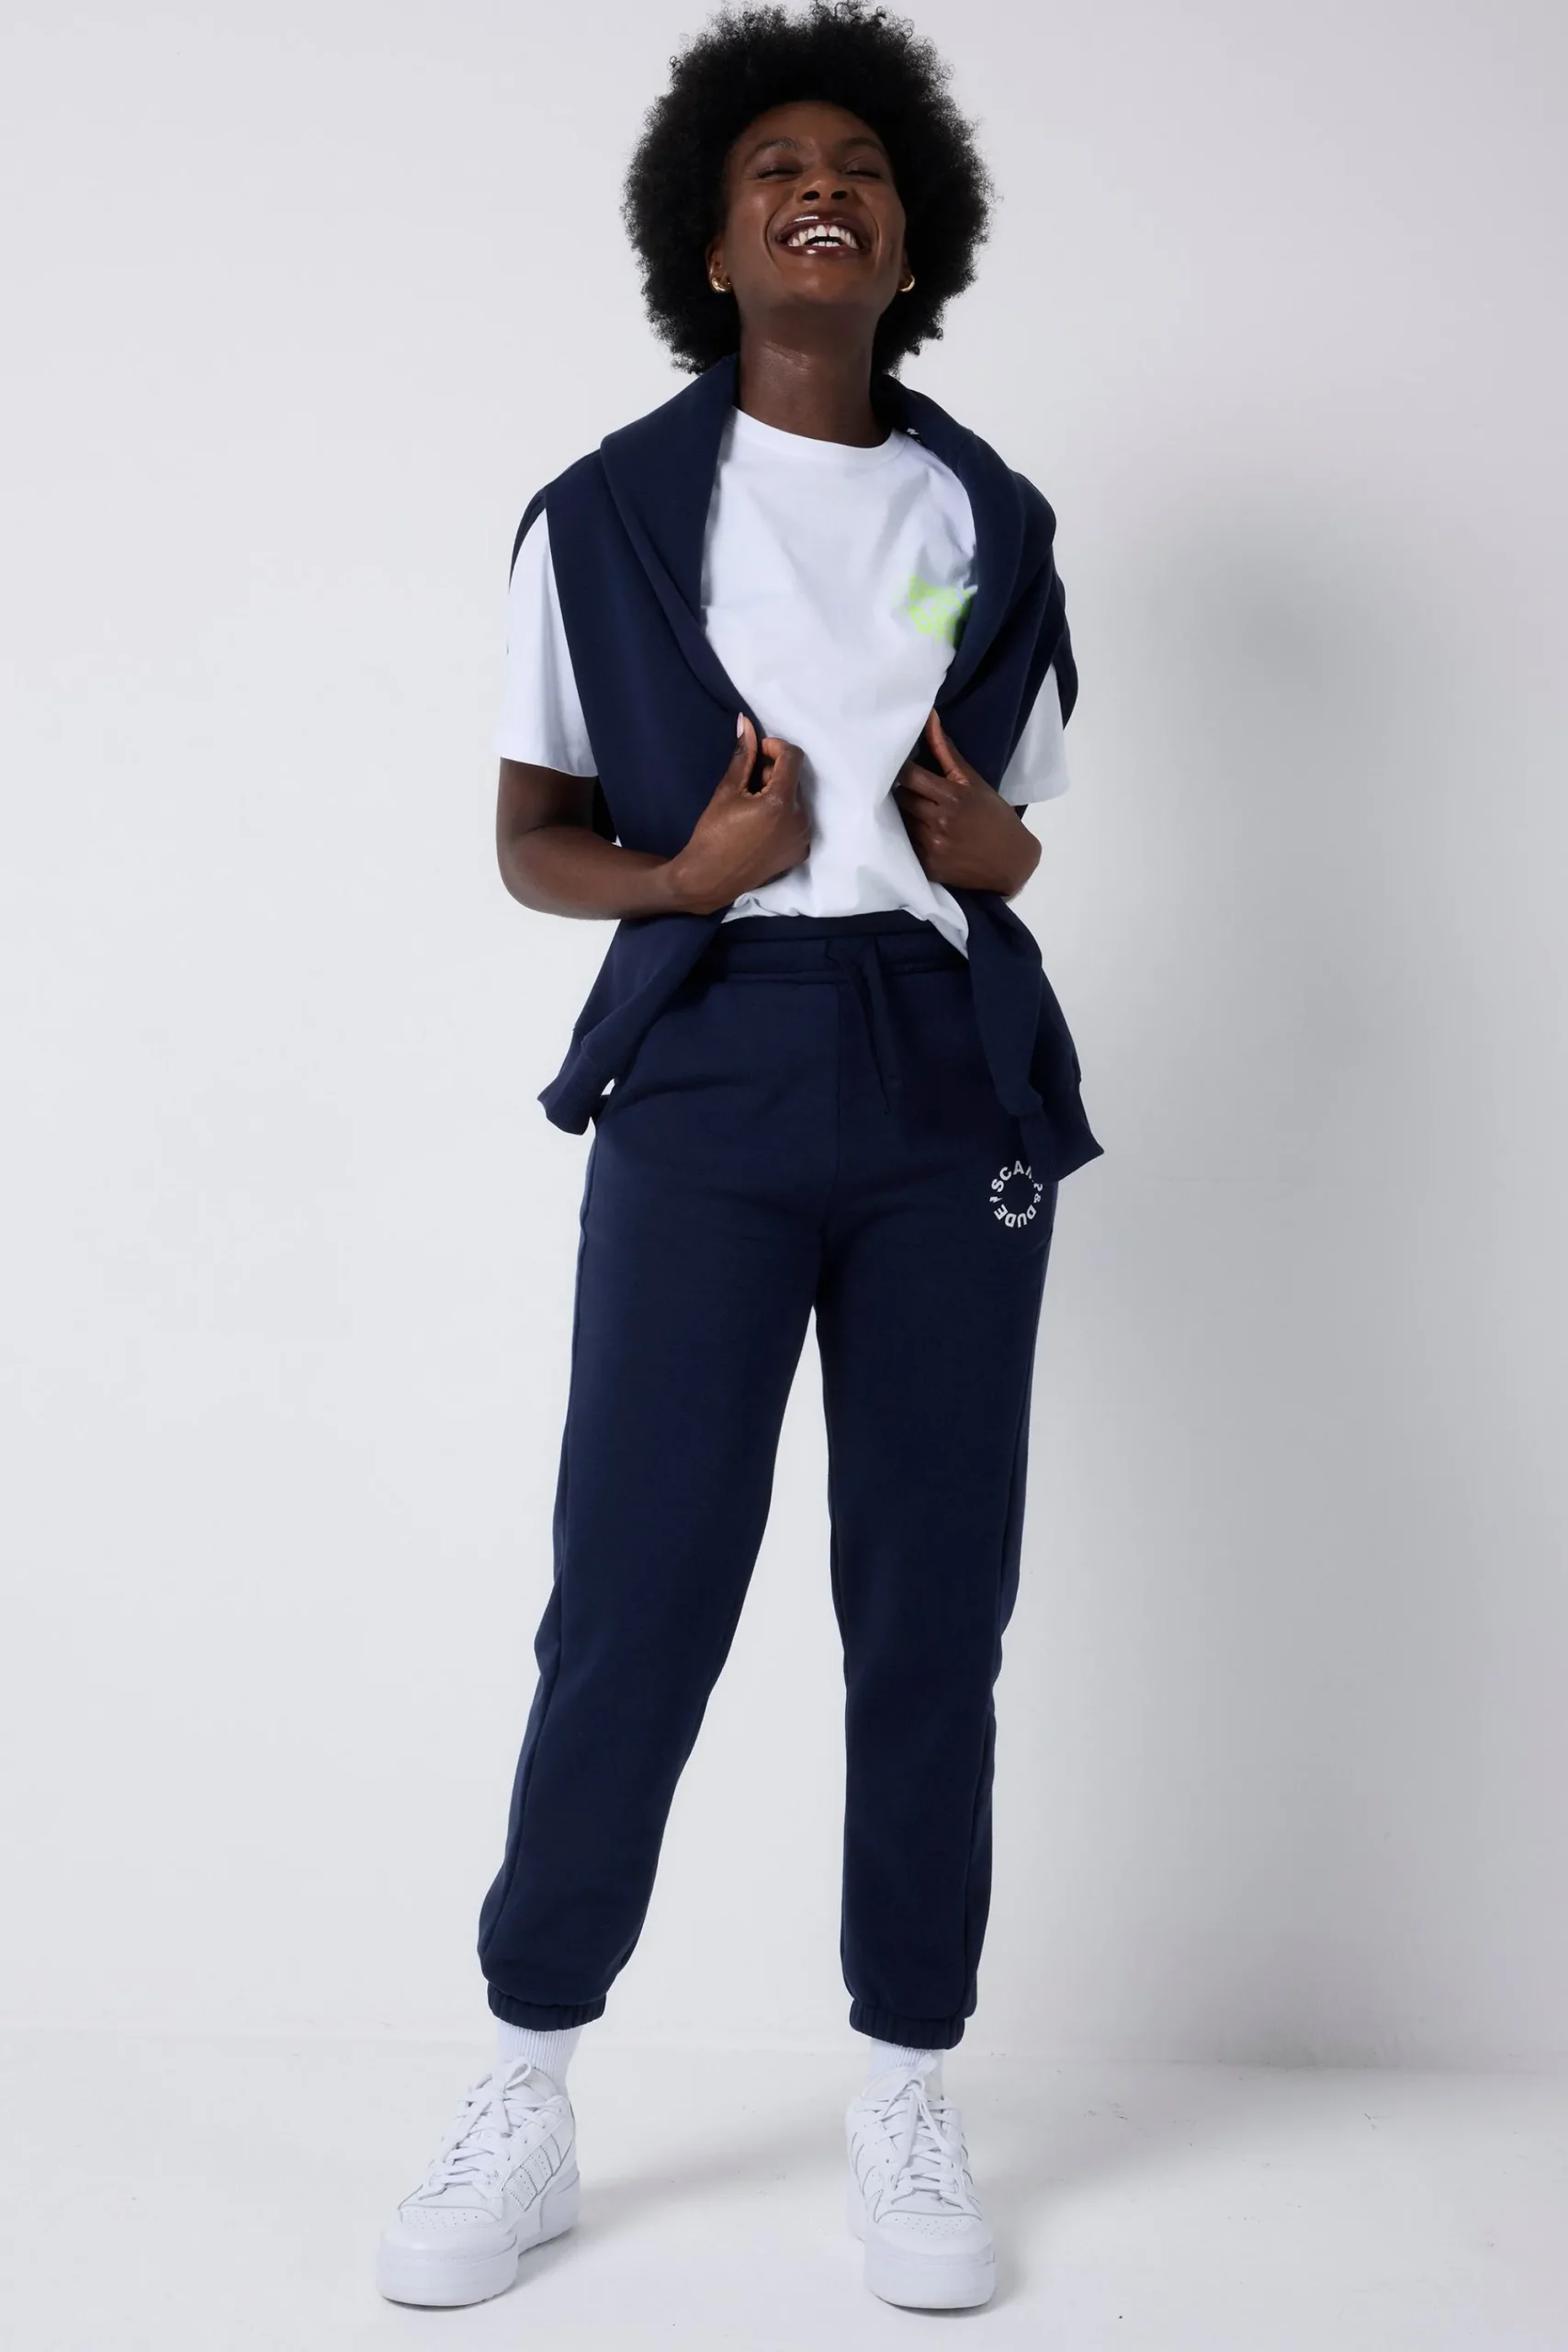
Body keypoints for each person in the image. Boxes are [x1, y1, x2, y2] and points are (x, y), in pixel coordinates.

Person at [376, 0, 1101, 2314]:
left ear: (911, 242)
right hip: (706, 1067)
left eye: (863, 171)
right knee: (638, 1581)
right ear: (709, 244)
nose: (824, 188)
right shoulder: (599, 515)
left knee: (934, 1600)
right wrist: (689, 876)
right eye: (777, 165)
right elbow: (530, 839)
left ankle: (905, 2082)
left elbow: (1006, 821)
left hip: (945, 1077)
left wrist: (999, 859)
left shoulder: (993, 519)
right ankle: (525, 2077)